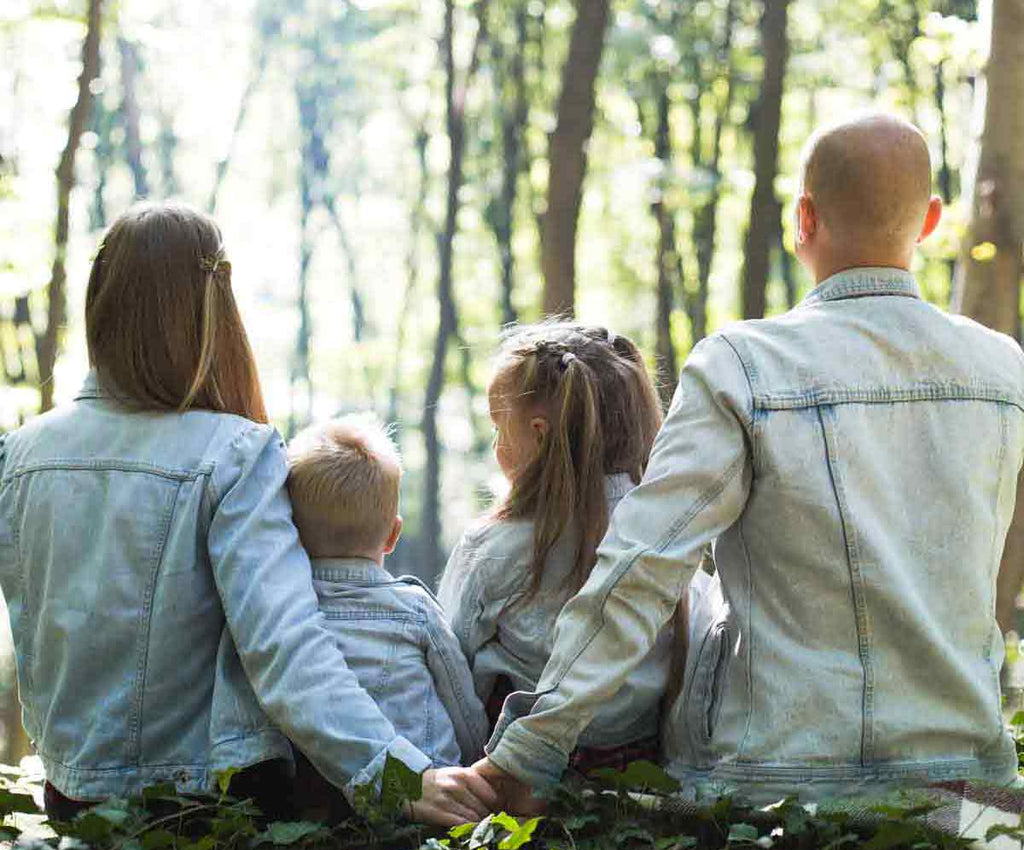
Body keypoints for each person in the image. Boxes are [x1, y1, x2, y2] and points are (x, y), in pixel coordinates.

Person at [472, 114, 1024, 808]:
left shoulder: (743, 366)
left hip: (776, 785)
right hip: (969, 789)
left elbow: (642, 566)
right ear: (933, 221)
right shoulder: (1006, 372)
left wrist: (531, 749)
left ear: (803, 219)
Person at [0, 202, 497, 825]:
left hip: (71, 802)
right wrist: (398, 778)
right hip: (203, 809)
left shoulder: (17, 453)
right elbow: (284, 647)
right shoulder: (235, 452)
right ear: (212, 310)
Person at [439, 321, 708, 772]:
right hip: (635, 771)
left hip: (515, 774)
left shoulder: (494, 547)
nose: (495, 444)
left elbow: (451, 667)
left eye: (498, 427)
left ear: (540, 434)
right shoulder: (667, 541)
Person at [285, 415, 488, 769]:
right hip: (427, 785)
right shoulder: (415, 610)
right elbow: (462, 705)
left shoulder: (282, 613)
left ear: (290, 532)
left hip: (323, 797)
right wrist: (474, 763)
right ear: (393, 536)